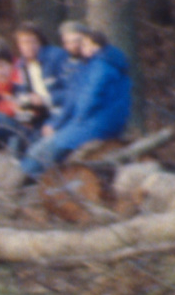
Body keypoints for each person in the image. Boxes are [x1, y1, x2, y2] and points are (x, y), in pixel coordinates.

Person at [19, 22, 132, 180]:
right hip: (92, 121)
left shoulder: (101, 66)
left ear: (94, 46)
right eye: (68, 42)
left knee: (41, 153)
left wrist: (73, 120)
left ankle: (21, 185)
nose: (76, 47)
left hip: (97, 123)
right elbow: (76, 96)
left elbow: (88, 99)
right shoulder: (94, 64)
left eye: (81, 43)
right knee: (35, 146)